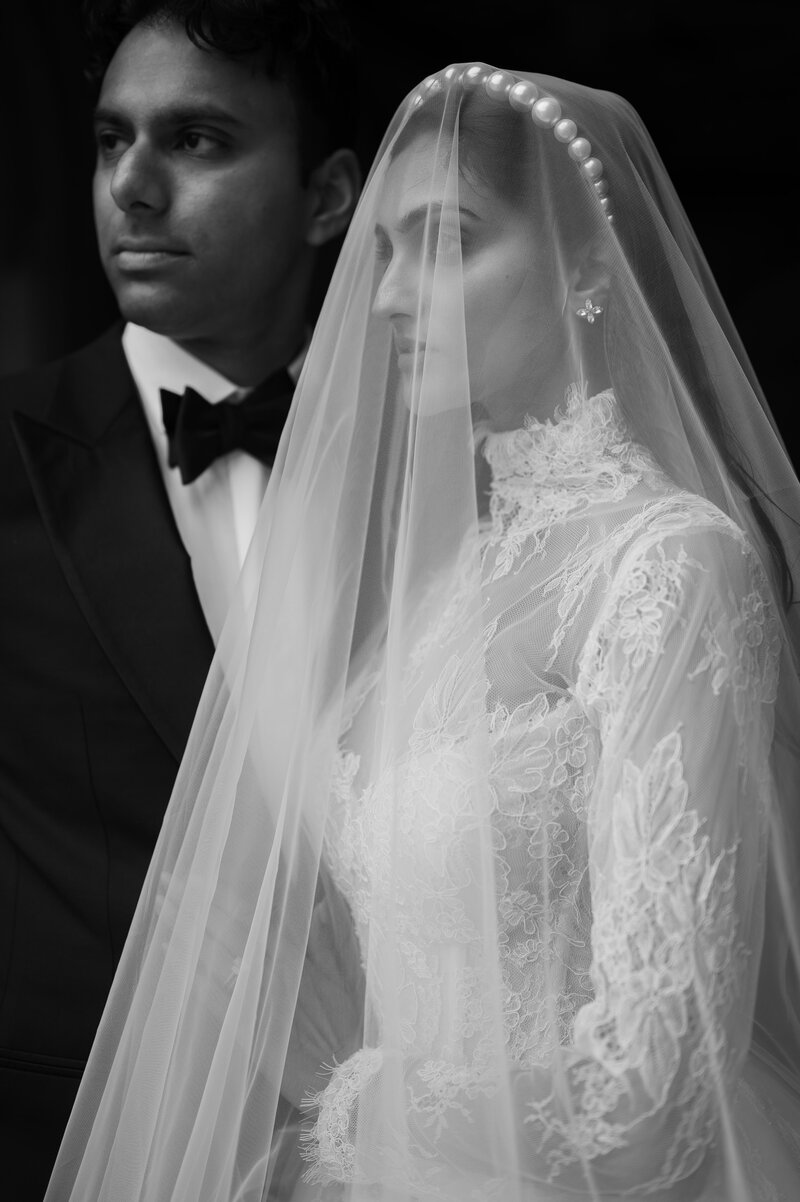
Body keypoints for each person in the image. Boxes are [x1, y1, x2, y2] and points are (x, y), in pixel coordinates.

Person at [46, 64, 800, 1201]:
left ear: (584, 263)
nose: (389, 294)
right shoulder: (441, 581)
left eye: (441, 241)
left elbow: (654, 1096)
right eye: (380, 250)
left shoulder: (667, 563)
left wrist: (350, 1111)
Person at [0, 2, 360, 1197]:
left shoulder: (450, 459)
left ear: (327, 197)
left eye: (198, 141)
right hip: (75, 1138)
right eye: (112, 141)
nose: (132, 189)